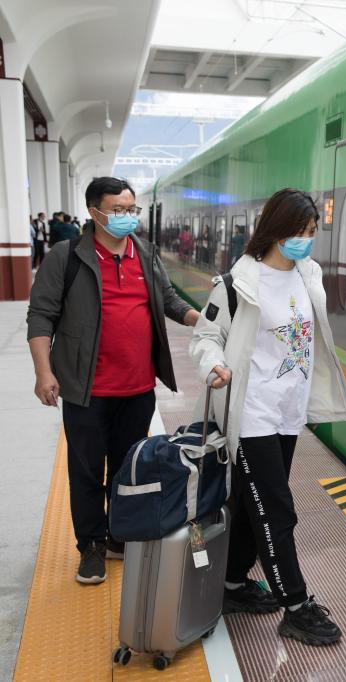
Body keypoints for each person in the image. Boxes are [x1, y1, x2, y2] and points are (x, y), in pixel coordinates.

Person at [190, 188, 346, 646]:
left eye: (312, 231)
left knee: (252, 504)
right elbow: (205, 338)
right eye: (299, 231)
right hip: (252, 414)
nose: (307, 240)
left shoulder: (308, 275)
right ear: (276, 230)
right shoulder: (236, 284)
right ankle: (297, 606)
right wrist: (213, 365)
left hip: (288, 414)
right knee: (277, 511)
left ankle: (231, 584)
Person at [26, 177, 200, 585]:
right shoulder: (67, 256)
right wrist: (43, 372)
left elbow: (170, 301)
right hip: (87, 389)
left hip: (137, 389)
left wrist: (205, 321)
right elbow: (41, 315)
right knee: (87, 471)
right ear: (94, 212)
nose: (127, 217)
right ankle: (90, 546)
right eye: (118, 210)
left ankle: (119, 535)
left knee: (127, 470)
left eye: (131, 209)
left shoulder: (146, 253)